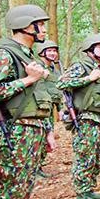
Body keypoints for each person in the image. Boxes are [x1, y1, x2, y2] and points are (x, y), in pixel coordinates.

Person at [0, 5, 56, 199]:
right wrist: (27, 80)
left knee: (20, 192)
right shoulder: (4, 54)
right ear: (26, 26)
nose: (44, 29)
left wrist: (47, 130)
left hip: (32, 132)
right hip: (12, 133)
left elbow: (37, 98)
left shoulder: (29, 56)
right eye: (40, 24)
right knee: (5, 194)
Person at [57, 34, 100, 199]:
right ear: (90, 49)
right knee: (85, 156)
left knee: (98, 156)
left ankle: (90, 188)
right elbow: (61, 83)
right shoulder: (81, 66)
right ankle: (81, 193)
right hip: (87, 118)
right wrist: (88, 78)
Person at [35, 40, 62, 178]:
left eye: (54, 50)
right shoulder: (37, 66)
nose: (53, 53)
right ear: (42, 52)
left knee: (47, 136)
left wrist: (61, 108)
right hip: (39, 107)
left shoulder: (54, 70)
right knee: (40, 137)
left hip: (51, 106)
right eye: (49, 50)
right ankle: (35, 168)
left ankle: (39, 165)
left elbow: (57, 90)